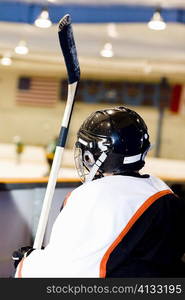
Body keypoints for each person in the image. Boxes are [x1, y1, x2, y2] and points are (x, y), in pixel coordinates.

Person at [12, 106, 185, 278]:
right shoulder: (164, 193)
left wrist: (27, 262)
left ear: (92, 155)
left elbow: (66, 271)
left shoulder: (91, 197)